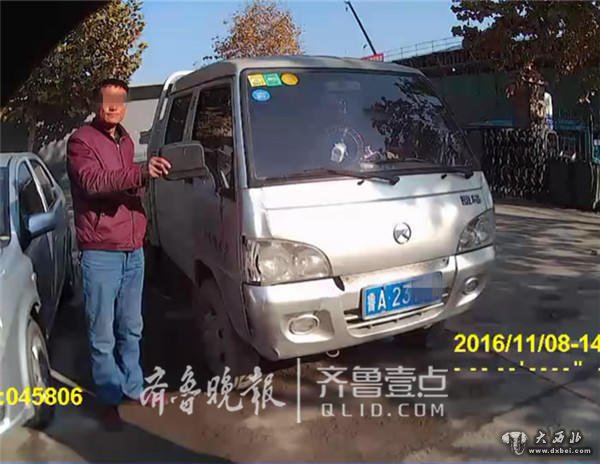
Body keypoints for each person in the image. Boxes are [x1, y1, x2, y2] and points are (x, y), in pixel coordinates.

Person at [66, 78, 171, 429]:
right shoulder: (81, 141)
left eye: (119, 100)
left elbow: (125, 181)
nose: (113, 106)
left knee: (131, 326)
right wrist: (140, 172)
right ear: (96, 103)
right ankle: (110, 399)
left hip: (132, 249)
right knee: (102, 333)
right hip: (101, 252)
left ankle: (134, 388)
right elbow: (93, 182)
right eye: (106, 99)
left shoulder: (124, 140)